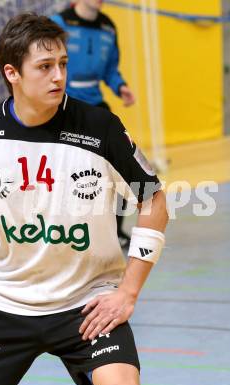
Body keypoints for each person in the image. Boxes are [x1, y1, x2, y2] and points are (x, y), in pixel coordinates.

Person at [0, 13, 168, 385]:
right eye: (45, 66)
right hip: (8, 302)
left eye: (62, 64)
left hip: (88, 304)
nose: (58, 76)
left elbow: (155, 202)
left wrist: (127, 293)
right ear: (13, 73)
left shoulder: (100, 127)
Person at [51, 0, 136, 248]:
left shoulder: (108, 27)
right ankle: (63, 232)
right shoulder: (59, 24)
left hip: (96, 106)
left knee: (120, 165)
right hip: (63, 107)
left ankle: (115, 231)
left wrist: (121, 86)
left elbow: (111, 69)